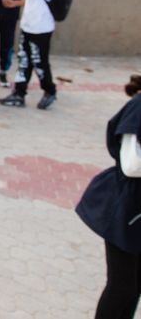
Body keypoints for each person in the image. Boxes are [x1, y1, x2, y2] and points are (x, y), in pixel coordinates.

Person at [76, 74, 141, 319]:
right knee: (122, 285)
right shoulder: (138, 107)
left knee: (135, 286)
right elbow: (131, 164)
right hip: (125, 207)